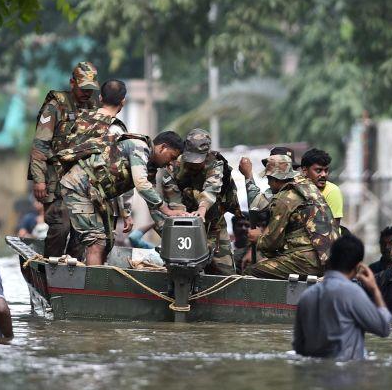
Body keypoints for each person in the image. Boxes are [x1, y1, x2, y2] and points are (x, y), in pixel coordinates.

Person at [59, 130, 186, 265]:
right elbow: (141, 184)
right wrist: (167, 210)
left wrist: (168, 228)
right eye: (171, 157)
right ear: (163, 147)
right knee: (96, 241)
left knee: (108, 241)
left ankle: (95, 276)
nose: (170, 164)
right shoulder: (139, 147)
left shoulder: (150, 167)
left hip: (96, 194)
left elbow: (151, 201)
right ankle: (94, 283)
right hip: (79, 186)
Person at [28, 61, 100, 258]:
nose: (87, 93)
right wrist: (39, 180)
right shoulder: (55, 106)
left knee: (81, 232)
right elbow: (40, 145)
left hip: (82, 183)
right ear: (72, 83)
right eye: (83, 87)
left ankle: (72, 274)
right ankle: (50, 268)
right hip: (55, 181)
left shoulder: (94, 109)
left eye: (90, 89)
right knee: (60, 226)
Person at [153, 128, 241, 275]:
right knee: (180, 270)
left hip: (214, 226)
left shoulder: (216, 163)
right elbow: (174, 200)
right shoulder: (174, 166)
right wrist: (184, 217)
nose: (194, 164)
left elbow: (211, 189)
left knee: (225, 274)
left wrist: (201, 210)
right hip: (183, 227)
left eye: (198, 159)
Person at [292, 234, 392, 360]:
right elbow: (383, 328)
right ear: (358, 267)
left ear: (331, 260)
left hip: (314, 376)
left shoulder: (306, 295)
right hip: (347, 373)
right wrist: (374, 289)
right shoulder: (353, 293)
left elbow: (298, 347)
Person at [244, 154, 338, 279]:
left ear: (276, 179)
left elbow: (271, 243)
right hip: (329, 260)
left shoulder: (285, 198)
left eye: (269, 179)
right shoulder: (308, 188)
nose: (268, 184)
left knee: (251, 271)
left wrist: (258, 238)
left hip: (307, 261)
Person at [300, 148, 344, 228]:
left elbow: (334, 228)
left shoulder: (332, 191)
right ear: (305, 170)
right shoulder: (296, 189)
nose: (323, 174)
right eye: (318, 170)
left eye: (326, 170)